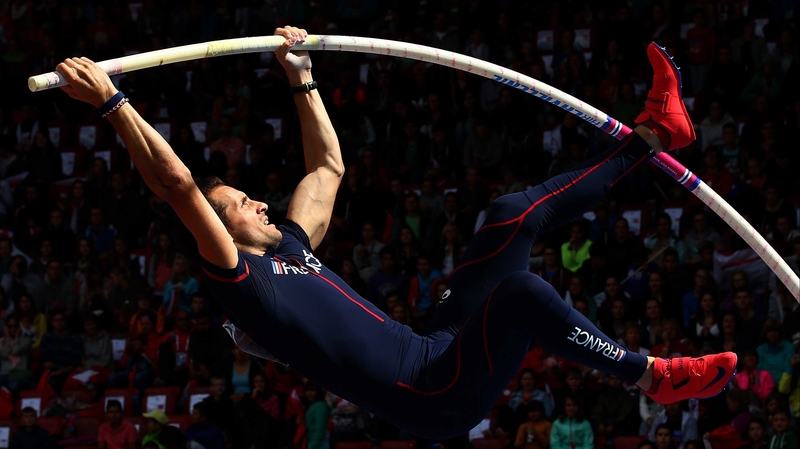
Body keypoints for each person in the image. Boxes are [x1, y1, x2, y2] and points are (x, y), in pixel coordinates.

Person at [58, 34, 737, 439]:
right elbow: (177, 186)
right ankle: (650, 377)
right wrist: (116, 104)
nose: (258, 201)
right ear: (219, 226)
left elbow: (328, 166)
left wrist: (302, 78)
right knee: (521, 295)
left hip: (433, 345)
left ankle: (655, 135)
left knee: (509, 214)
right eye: (239, 201)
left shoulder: (292, 244)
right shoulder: (241, 280)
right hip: (432, 395)